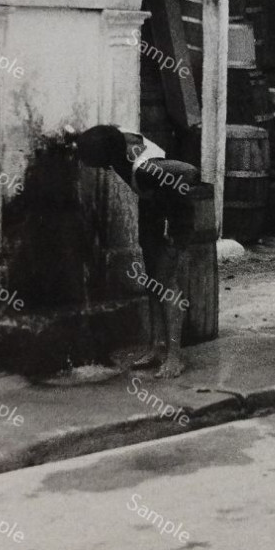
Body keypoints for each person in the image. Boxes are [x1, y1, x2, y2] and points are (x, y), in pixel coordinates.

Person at [71, 125, 198, 379]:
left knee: (167, 283)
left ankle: (175, 357)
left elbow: (189, 171)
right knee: (152, 281)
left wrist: (174, 234)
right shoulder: (115, 136)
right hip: (152, 204)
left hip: (173, 214)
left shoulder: (147, 169)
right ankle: (156, 348)